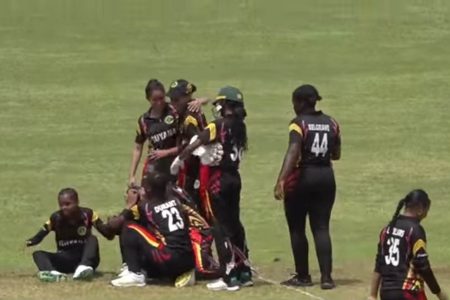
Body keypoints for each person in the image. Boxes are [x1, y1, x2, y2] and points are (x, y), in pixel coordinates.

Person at [171, 86, 251, 291]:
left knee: (220, 227)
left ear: (226, 105)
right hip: (235, 177)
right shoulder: (240, 126)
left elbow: (197, 140)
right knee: (235, 224)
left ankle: (229, 275)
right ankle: (244, 270)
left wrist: (180, 158)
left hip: (219, 180)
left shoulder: (218, 125)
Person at [274, 84, 341, 289]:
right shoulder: (332, 123)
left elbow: (293, 151)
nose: (293, 106)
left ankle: (303, 276)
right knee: (321, 227)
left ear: (301, 102)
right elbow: (336, 154)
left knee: (297, 228)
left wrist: (281, 180)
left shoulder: (298, 124)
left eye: (294, 102)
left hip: (303, 176)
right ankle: (327, 278)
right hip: (326, 177)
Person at [110, 172, 196, 288]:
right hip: (188, 259)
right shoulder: (176, 201)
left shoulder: (145, 206)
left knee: (129, 226)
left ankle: (135, 274)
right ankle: (178, 272)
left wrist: (129, 205)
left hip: (170, 259)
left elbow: (113, 226)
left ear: (148, 189)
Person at [368, 190, 448, 300]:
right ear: (420, 209)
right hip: (408, 292)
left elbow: (379, 263)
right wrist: (438, 292)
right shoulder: (415, 230)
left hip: (386, 292)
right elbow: (423, 265)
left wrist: (372, 294)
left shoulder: (387, 229)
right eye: (427, 210)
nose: (426, 215)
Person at [26, 188, 114, 282]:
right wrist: (29, 242)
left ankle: (83, 269)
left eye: (67, 204)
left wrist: (111, 227)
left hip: (85, 257)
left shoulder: (88, 214)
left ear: (77, 202)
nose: (64, 208)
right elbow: (39, 236)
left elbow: (108, 235)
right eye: (61, 205)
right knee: (38, 254)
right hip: (65, 258)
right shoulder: (55, 218)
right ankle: (54, 274)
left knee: (92, 239)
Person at [167, 79, 209, 214]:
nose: (172, 103)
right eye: (171, 99)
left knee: (192, 206)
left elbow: (197, 143)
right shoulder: (188, 108)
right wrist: (201, 100)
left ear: (186, 98)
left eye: (176, 99)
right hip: (193, 168)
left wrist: (180, 157)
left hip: (195, 170)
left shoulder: (189, 119)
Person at [128, 79, 180, 186]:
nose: (159, 103)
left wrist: (199, 101)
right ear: (148, 99)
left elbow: (196, 101)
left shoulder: (175, 110)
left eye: (161, 98)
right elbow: (138, 147)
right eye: (154, 100)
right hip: (155, 168)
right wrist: (132, 175)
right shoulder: (144, 121)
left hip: (177, 165)